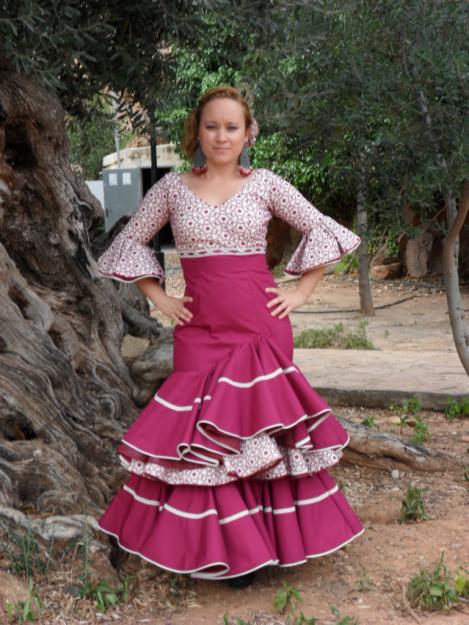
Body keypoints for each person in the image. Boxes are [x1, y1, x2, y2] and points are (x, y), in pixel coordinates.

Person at [95, 85, 364, 589]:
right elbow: (127, 241)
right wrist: (161, 299)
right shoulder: (172, 189)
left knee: (260, 432)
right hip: (199, 333)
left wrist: (302, 294)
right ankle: (231, 550)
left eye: (232, 127)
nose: (222, 136)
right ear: (197, 130)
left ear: (248, 133)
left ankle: (270, 544)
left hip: (262, 328)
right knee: (204, 439)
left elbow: (323, 230)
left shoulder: (266, 184)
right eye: (212, 126)